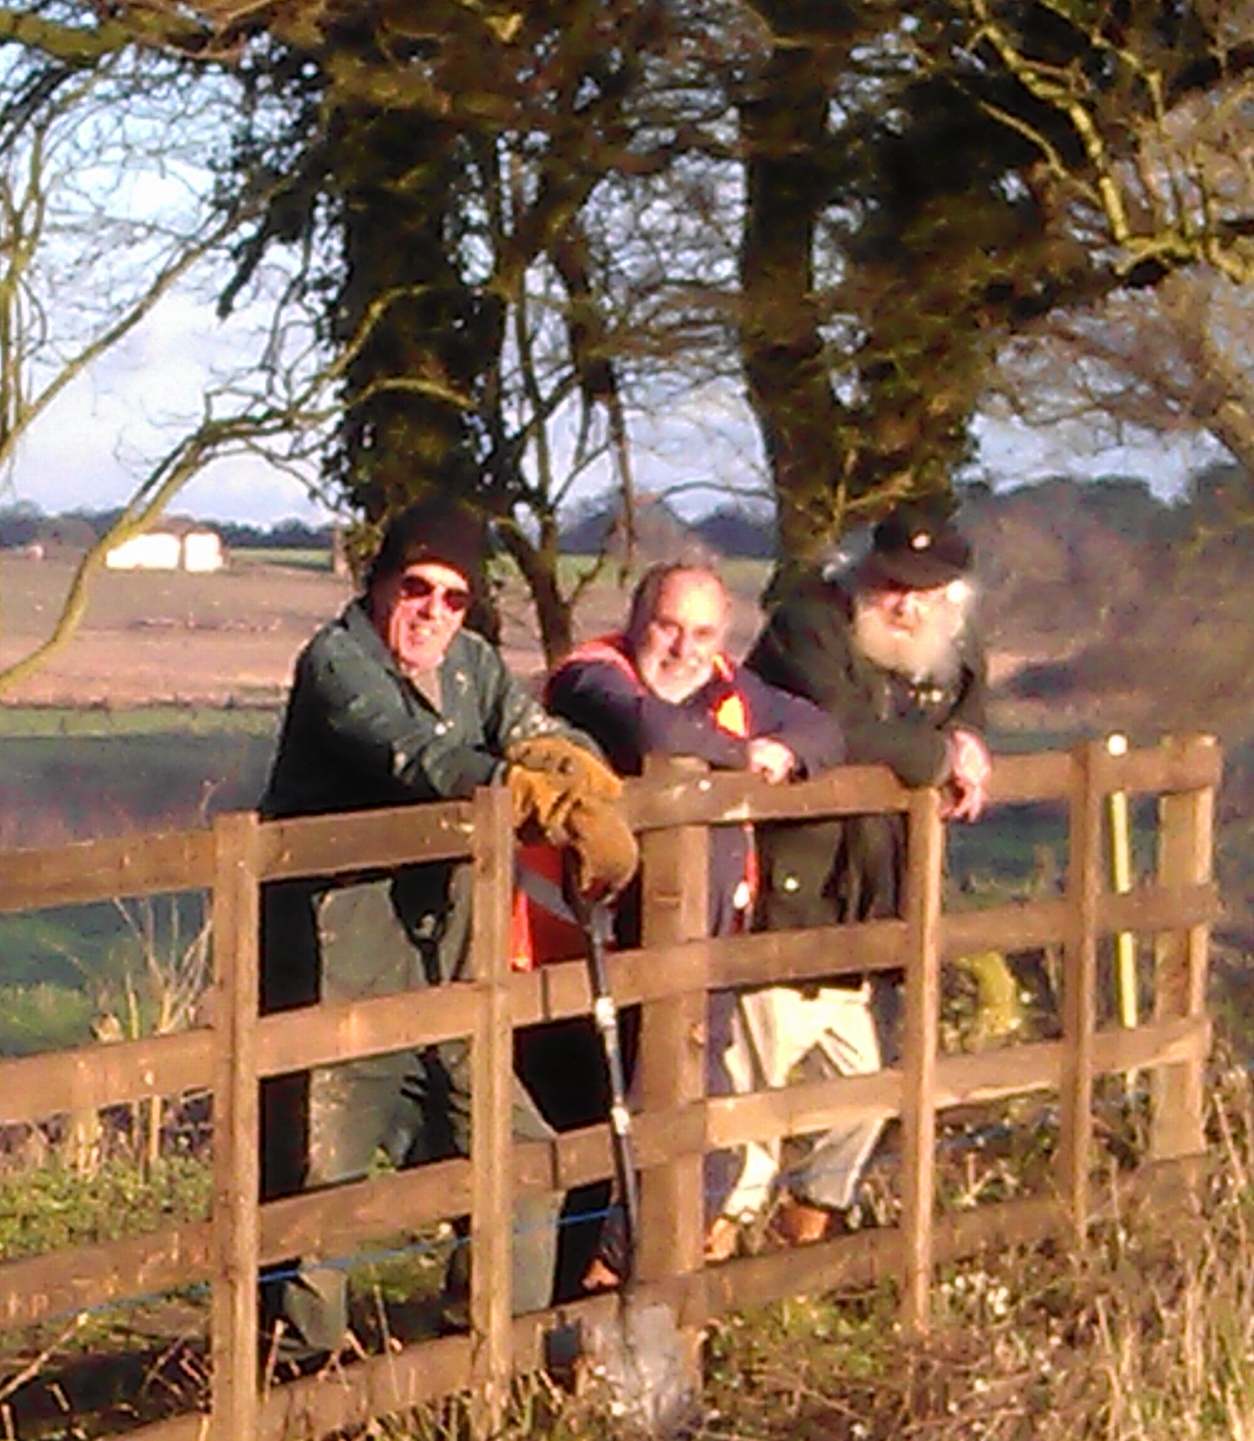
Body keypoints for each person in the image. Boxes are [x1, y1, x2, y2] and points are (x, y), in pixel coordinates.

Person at [255, 497, 637, 1358]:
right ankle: (299, 1400)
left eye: (454, 596)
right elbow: (412, 756)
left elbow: (543, 732)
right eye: (415, 587)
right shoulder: (337, 662)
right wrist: (530, 794)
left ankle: (482, 1360)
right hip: (337, 982)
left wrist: (578, 776)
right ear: (380, 583)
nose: (433, 611)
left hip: (456, 981)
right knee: (320, 1202)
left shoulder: (473, 666)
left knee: (523, 1166)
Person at [532, 563, 845, 1278]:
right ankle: (592, 1297)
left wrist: (789, 752)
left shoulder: (735, 687)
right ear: (637, 619)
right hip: (581, 955)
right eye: (668, 626)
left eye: (703, 632)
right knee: (591, 1145)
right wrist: (744, 758)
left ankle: (650, 1291)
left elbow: (824, 729)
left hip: (705, 954)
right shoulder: (592, 675)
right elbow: (648, 727)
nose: (683, 648)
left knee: (699, 1134)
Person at [734, 507, 993, 1247]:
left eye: (925, 591)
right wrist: (943, 758)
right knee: (746, 1123)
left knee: (862, 1104)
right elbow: (840, 730)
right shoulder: (808, 627)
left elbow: (968, 693)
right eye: (889, 585)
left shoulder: (945, 641)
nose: (905, 605)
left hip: (862, 912)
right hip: (784, 899)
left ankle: (796, 1263)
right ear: (862, 574)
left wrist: (969, 733)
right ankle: (709, 1287)